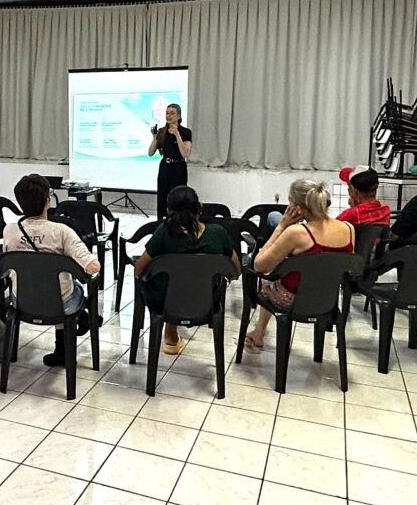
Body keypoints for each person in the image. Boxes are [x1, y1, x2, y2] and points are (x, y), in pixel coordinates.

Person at [244, 179, 354, 351]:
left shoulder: (296, 233)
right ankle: (259, 332)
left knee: (268, 280)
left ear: (298, 208)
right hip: (328, 299)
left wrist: (281, 226)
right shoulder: (348, 228)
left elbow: (259, 265)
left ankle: (259, 332)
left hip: (294, 300)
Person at [4, 173, 100, 367]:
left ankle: (76, 326)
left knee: (49, 285)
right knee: (69, 288)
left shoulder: (10, 230)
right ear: (48, 201)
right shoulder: (62, 232)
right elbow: (93, 266)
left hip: (22, 301)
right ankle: (74, 331)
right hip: (61, 304)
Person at [134, 186, 239, 354]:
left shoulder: (164, 233)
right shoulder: (218, 234)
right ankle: (172, 335)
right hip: (206, 302)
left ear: (169, 210)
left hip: (165, 304)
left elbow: (139, 270)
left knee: (170, 283)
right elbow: (236, 271)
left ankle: (171, 335)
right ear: (199, 208)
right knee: (189, 283)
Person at [148, 104, 192, 219]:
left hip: (179, 167)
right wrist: (154, 137)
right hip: (165, 167)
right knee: (162, 197)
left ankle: (178, 221)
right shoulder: (162, 131)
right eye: (167, 113)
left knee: (178, 197)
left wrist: (177, 134)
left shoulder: (185, 132)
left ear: (179, 116)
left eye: (172, 113)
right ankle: (161, 222)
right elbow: (150, 152)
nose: (168, 116)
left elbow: (185, 153)